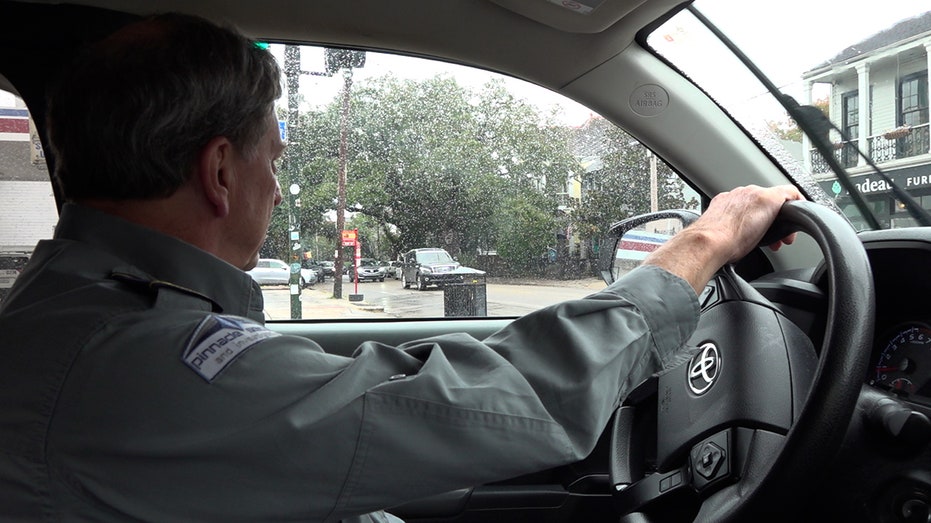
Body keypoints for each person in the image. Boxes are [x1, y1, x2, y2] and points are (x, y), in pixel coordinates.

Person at [0, 12, 802, 523]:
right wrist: (707, 240)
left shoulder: (86, 315)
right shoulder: (141, 366)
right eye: (272, 161)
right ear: (219, 173)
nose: (276, 189)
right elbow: (514, 398)